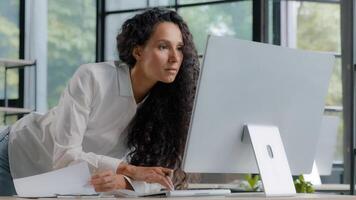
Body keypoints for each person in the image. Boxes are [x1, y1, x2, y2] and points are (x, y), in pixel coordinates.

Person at [0, 7, 199, 196]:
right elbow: (65, 156)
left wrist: (125, 181)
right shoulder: (93, 77)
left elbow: (169, 178)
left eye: (179, 48)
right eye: (163, 47)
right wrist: (129, 170)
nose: (175, 58)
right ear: (138, 52)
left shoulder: (165, 104)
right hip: (14, 155)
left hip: (63, 183)